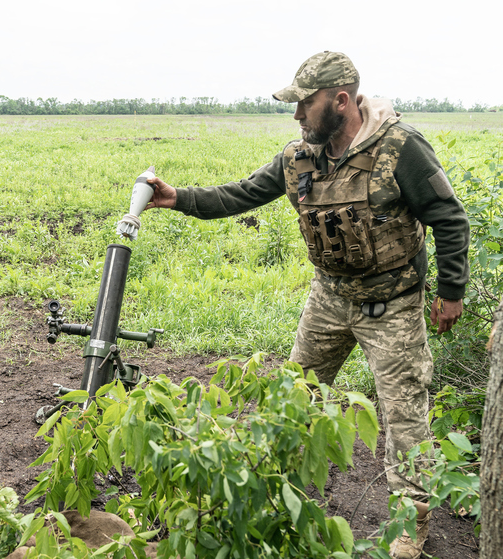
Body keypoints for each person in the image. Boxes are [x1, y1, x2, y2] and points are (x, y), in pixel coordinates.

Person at [146, 51, 470, 559]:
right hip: (328, 300)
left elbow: (449, 218)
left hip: (394, 306)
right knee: (292, 397)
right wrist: (179, 197)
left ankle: (412, 522)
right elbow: (242, 194)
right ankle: (274, 493)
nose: (296, 115)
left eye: (305, 105)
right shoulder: (299, 156)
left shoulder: (401, 149)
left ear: (341, 101)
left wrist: (451, 293)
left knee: (405, 415)